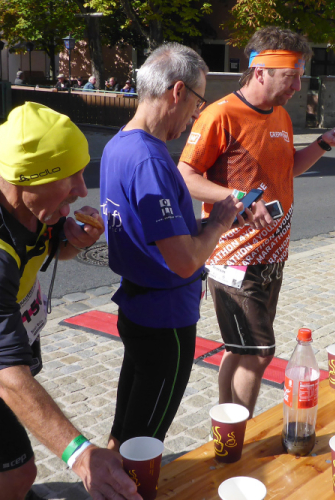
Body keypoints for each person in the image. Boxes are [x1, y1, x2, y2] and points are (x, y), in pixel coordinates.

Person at [0, 102, 140, 500]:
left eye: (81, 172)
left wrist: (75, 241)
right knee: (17, 473)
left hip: (6, 332)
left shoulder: (28, 200)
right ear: (27, 179)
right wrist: (81, 455)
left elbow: (54, 250)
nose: (82, 189)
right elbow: (9, 377)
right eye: (68, 176)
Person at [178, 26, 335, 417]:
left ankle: (225, 424)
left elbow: (286, 169)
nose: (297, 86)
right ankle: (237, 432)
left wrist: (324, 142)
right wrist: (238, 198)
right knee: (260, 352)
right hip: (233, 258)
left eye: (300, 77)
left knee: (240, 348)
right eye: (290, 77)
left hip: (271, 256)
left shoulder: (280, 115)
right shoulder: (220, 115)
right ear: (260, 71)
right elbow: (185, 176)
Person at [99, 43, 244, 449]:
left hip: (136, 307)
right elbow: (184, 262)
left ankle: (112, 475)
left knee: (125, 426)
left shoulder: (119, 144)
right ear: (178, 91)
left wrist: (202, 224)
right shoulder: (150, 159)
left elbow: (152, 229)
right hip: (166, 318)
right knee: (144, 442)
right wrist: (220, 223)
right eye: (198, 103)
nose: (197, 114)